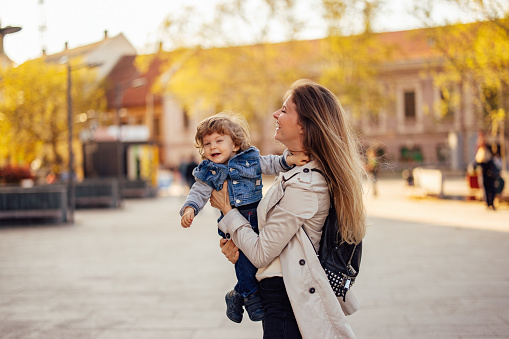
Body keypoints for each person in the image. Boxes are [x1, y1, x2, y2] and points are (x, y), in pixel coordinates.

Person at [210, 80, 366, 338]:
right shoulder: (297, 171)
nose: (275, 114)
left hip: (285, 302)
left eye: (284, 110)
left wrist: (227, 211)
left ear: (304, 125)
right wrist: (238, 247)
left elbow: (261, 253)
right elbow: (270, 243)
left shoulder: (306, 185)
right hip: (282, 294)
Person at [180, 112, 308, 324]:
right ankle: (250, 296)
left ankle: (238, 294)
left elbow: (271, 163)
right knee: (244, 262)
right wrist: (190, 208)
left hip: (257, 217)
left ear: (236, 145)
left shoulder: (250, 159)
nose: (213, 147)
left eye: (219, 141)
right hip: (233, 223)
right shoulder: (208, 171)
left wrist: (290, 159)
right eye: (207, 143)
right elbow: (198, 191)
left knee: (260, 261)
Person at [473, 145, 500, 210]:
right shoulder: (483, 162)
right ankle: (490, 203)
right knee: (490, 190)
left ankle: (489, 203)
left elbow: (474, 168)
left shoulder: (484, 162)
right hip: (488, 178)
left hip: (486, 178)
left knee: (488, 190)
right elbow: (474, 168)